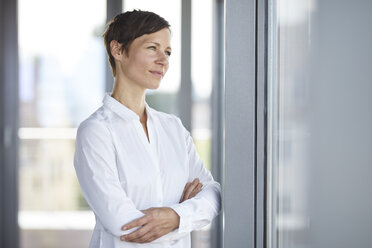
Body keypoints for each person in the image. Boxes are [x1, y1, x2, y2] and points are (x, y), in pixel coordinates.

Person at [74, 10, 221, 248]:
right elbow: (125, 225)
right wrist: (186, 216)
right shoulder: (95, 132)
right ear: (118, 50)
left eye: (168, 52)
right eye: (152, 48)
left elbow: (213, 193)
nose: (163, 60)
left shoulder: (173, 127)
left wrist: (175, 216)